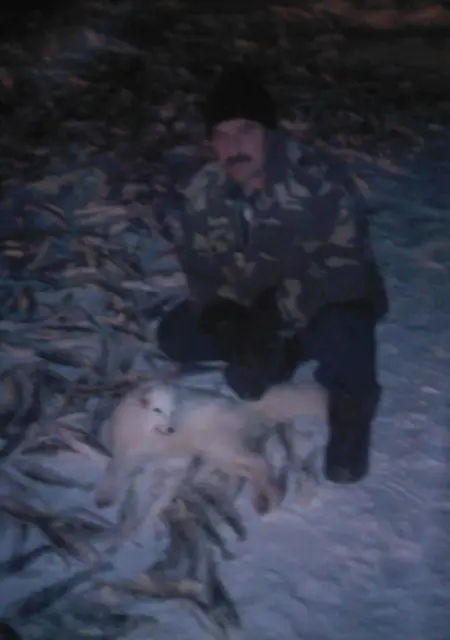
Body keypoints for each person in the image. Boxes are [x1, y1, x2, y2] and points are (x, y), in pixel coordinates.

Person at [150, 62, 388, 484]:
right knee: (176, 335)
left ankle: (350, 424)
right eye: (222, 134)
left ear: (270, 133)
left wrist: (273, 318)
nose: (234, 145)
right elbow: (201, 271)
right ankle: (278, 355)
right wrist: (228, 323)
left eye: (246, 129)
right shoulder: (203, 192)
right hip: (254, 304)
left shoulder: (320, 180)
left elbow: (344, 267)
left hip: (320, 302)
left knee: (347, 327)